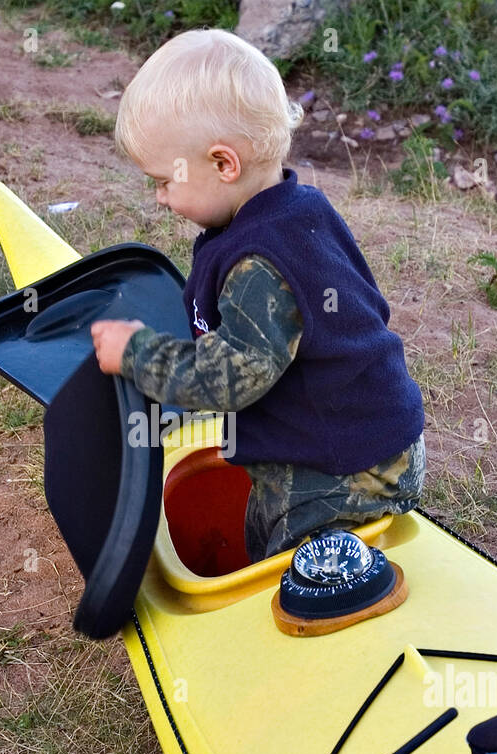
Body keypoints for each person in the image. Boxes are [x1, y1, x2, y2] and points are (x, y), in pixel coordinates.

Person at [90, 28, 425, 562]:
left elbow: (228, 380)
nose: (158, 199)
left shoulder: (259, 265)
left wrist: (136, 353)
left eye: (162, 181)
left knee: (295, 572)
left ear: (224, 164)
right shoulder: (299, 207)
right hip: (352, 439)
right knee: (261, 523)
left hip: (345, 472)